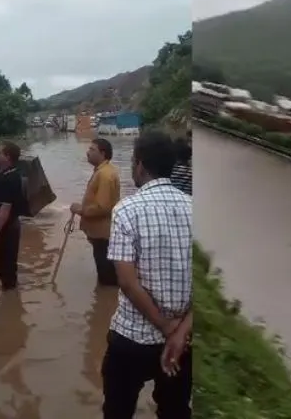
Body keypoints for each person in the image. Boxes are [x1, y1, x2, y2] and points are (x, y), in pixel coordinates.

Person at [103, 130, 192, 419]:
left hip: (132, 339)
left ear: (140, 165)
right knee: (175, 410)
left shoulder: (126, 210)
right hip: (184, 342)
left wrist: (165, 328)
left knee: (118, 409)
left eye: (133, 162)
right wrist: (179, 333)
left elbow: (127, 282)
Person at [70, 138, 120, 286]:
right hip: (102, 233)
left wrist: (81, 210)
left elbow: (103, 207)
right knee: (106, 273)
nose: (88, 153)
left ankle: (107, 305)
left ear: (103, 153)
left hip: (103, 234)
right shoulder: (103, 171)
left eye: (92, 150)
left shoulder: (105, 175)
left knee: (107, 279)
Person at [0, 141, 25, 291]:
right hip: (1, 228)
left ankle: (11, 301)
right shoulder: (2, 173)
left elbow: (5, 210)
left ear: (7, 157)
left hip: (6, 229)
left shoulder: (11, 179)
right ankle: (9, 295)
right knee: (0, 264)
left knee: (6, 265)